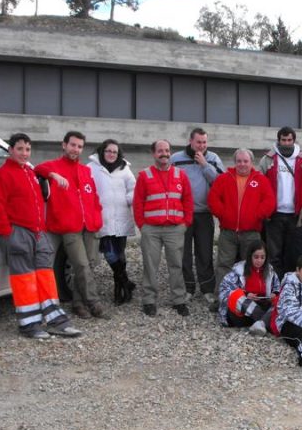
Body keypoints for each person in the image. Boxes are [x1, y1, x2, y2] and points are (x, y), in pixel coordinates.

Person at [0, 133, 81, 339]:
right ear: (10, 150)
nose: (24, 153)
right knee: (24, 280)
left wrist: (53, 175)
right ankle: (29, 324)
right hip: (18, 232)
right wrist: (8, 234)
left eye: (27, 149)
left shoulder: (29, 171)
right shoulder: (3, 175)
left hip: (38, 232)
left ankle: (56, 320)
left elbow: (41, 170)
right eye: (20, 149)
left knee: (46, 277)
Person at [35, 131, 107, 320]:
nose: (76, 149)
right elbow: (36, 169)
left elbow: (93, 197)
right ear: (64, 145)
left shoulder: (85, 171)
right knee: (81, 265)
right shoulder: (54, 166)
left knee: (89, 265)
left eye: (79, 146)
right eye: (73, 145)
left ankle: (78, 303)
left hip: (90, 225)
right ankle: (93, 302)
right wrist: (54, 175)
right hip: (69, 227)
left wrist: (97, 217)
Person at [133, 140, 194, 317]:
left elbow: (188, 200)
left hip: (175, 228)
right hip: (151, 229)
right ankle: (149, 300)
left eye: (167, 150)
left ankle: (179, 300)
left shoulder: (180, 175)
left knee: (176, 265)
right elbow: (138, 202)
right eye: (160, 151)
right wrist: (142, 226)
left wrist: (185, 223)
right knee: (150, 266)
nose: (164, 154)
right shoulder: (145, 175)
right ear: (154, 153)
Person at [171, 128, 226, 305]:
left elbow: (220, 182)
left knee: (205, 252)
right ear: (190, 141)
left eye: (204, 142)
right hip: (182, 214)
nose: (201, 146)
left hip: (204, 214)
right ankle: (187, 289)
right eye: (198, 142)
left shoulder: (213, 158)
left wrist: (205, 165)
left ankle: (207, 289)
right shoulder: (176, 159)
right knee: (184, 253)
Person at [208, 148, 276, 286]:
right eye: (239, 161)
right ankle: (222, 297)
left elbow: (269, 201)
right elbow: (213, 199)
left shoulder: (261, 180)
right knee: (224, 265)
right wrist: (224, 214)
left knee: (251, 265)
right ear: (235, 162)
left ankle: (250, 295)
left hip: (251, 232)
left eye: (245, 161)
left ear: (252, 162)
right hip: (228, 232)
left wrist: (256, 216)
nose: (242, 164)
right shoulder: (224, 179)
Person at [87, 139, 136, 305]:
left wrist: (127, 199)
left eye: (115, 152)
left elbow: (133, 189)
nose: (111, 154)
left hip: (121, 216)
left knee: (120, 254)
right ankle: (125, 283)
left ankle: (119, 290)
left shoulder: (125, 169)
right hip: (103, 217)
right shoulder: (92, 167)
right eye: (108, 151)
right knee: (109, 253)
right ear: (102, 151)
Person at [259, 126, 302, 278]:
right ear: (278, 140)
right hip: (274, 214)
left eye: (289, 140)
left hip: (295, 214)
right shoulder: (268, 159)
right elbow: (260, 185)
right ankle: (274, 285)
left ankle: (290, 284)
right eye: (283, 140)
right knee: (274, 253)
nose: (286, 143)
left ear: (294, 141)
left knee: (292, 252)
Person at [217, 240, 281, 334]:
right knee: (237, 296)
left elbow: (277, 288)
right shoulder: (238, 270)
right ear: (250, 256)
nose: (259, 260)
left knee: (280, 299)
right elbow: (223, 291)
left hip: (262, 305)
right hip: (241, 313)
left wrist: (274, 294)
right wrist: (245, 294)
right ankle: (266, 322)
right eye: (256, 257)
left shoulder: (270, 271)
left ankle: (261, 323)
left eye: (262, 257)